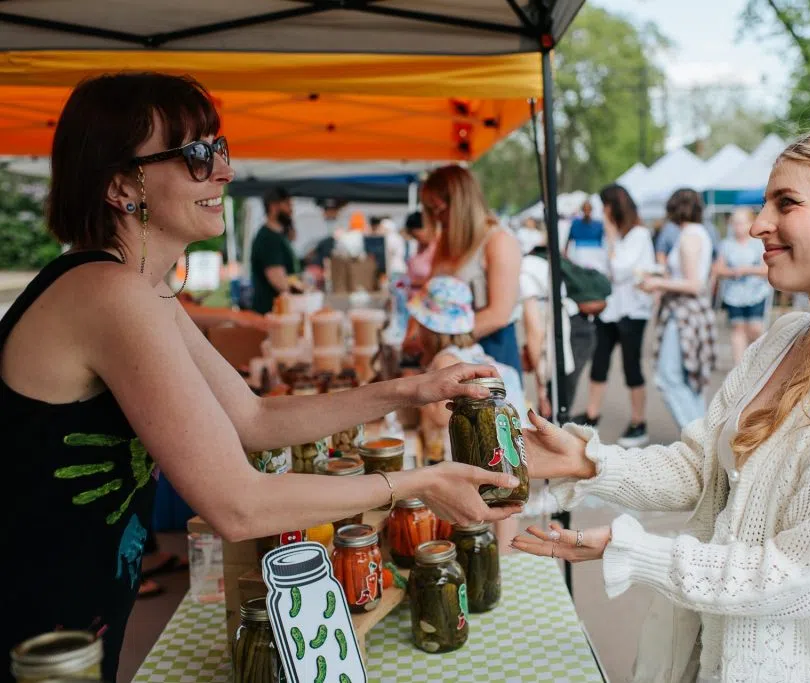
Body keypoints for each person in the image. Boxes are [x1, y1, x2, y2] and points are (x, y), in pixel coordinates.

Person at [0, 73, 521, 683]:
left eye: (218, 150)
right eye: (197, 155)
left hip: (71, 601)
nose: (223, 171)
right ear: (121, 185)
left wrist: (410, 389)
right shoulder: (109, 292)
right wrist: (419, 481)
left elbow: (253, 419)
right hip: (34, 618)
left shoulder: (136, 287)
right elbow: (238, 505)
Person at [513, 124, 810, 682]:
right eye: (762, 205)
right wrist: (588, 461)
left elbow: (796, 573)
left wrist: (631, 550)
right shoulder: (788, 336)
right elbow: (703, 465)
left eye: (787, 203)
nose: (758, 226)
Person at [403, 275, 526, 553]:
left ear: (429, 328)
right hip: (505, 447)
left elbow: (437, 417)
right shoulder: (475, 352)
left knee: (471, 512)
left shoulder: (444, 361)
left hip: (469, 447)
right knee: (505, 501)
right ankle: (505, 557)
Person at [571, 184, 655, 448]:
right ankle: (592, 414)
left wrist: (608, 236)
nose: (602, 212)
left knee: (631, 365)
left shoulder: (638, 234)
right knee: (599, 361)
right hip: (610, 310)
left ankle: (638, 421)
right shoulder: (619, 235)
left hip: (632, 310)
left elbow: (618, 269)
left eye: (605, 206)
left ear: (614, 207)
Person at [422, 165, 523, 373]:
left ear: (461, 204)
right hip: (450, 351)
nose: (437, 219)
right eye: (431, 211)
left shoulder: (498, 241)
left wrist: (445, 340)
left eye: (439, 210)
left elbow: (499, 314)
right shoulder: (444, 242)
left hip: (491, 349)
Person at [639, 188, 716, 430]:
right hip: (690, 311)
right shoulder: (698, 233)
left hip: (684, 312)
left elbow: (694, 284)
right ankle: (702, 438)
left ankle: (697, 438)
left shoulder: (689, 237)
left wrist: (657, 283)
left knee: (667, 376)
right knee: (688, 378)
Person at [520, 232, 576, 418]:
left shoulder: (523, 275)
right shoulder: (533, 265)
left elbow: (535, 334)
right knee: (559, 401)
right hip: (571, 320)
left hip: (567, 327)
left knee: (555, 406)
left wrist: (542, 392)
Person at [714, 207, 773, 366]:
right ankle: (739, 366)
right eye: (735, 223)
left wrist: (747, 270)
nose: (737, 227)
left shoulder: (758, 244)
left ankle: (758, 362)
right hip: (734, 295)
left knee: (755, 328)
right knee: (737, 329)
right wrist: (732, 272)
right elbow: (718, 269)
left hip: (756, 293)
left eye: (741, 223)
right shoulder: (726, 245)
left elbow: (766, 269)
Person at [249, 186, 300, 314]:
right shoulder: (268, 238)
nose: (291, 210)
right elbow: (279, 281)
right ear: (273, 206)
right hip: (271, 312)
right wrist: (302, 294)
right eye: (287, 204)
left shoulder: (277, 236)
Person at [565, 200, 608, 275]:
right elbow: (569, 240)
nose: (587, 211)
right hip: (579, 255)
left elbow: (604, 243)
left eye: (588, 209)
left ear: (591, 210)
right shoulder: (575, 224)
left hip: (595, 256)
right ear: (582, 210)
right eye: (585, 209)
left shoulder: (598, 225)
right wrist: (565, 252)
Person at [404, 211, 437, 288]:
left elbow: (439, 279)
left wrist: (413, 282)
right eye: (414, 237)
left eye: (417, 236)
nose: (417, 240)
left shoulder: (438, 247)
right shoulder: (420, 247)